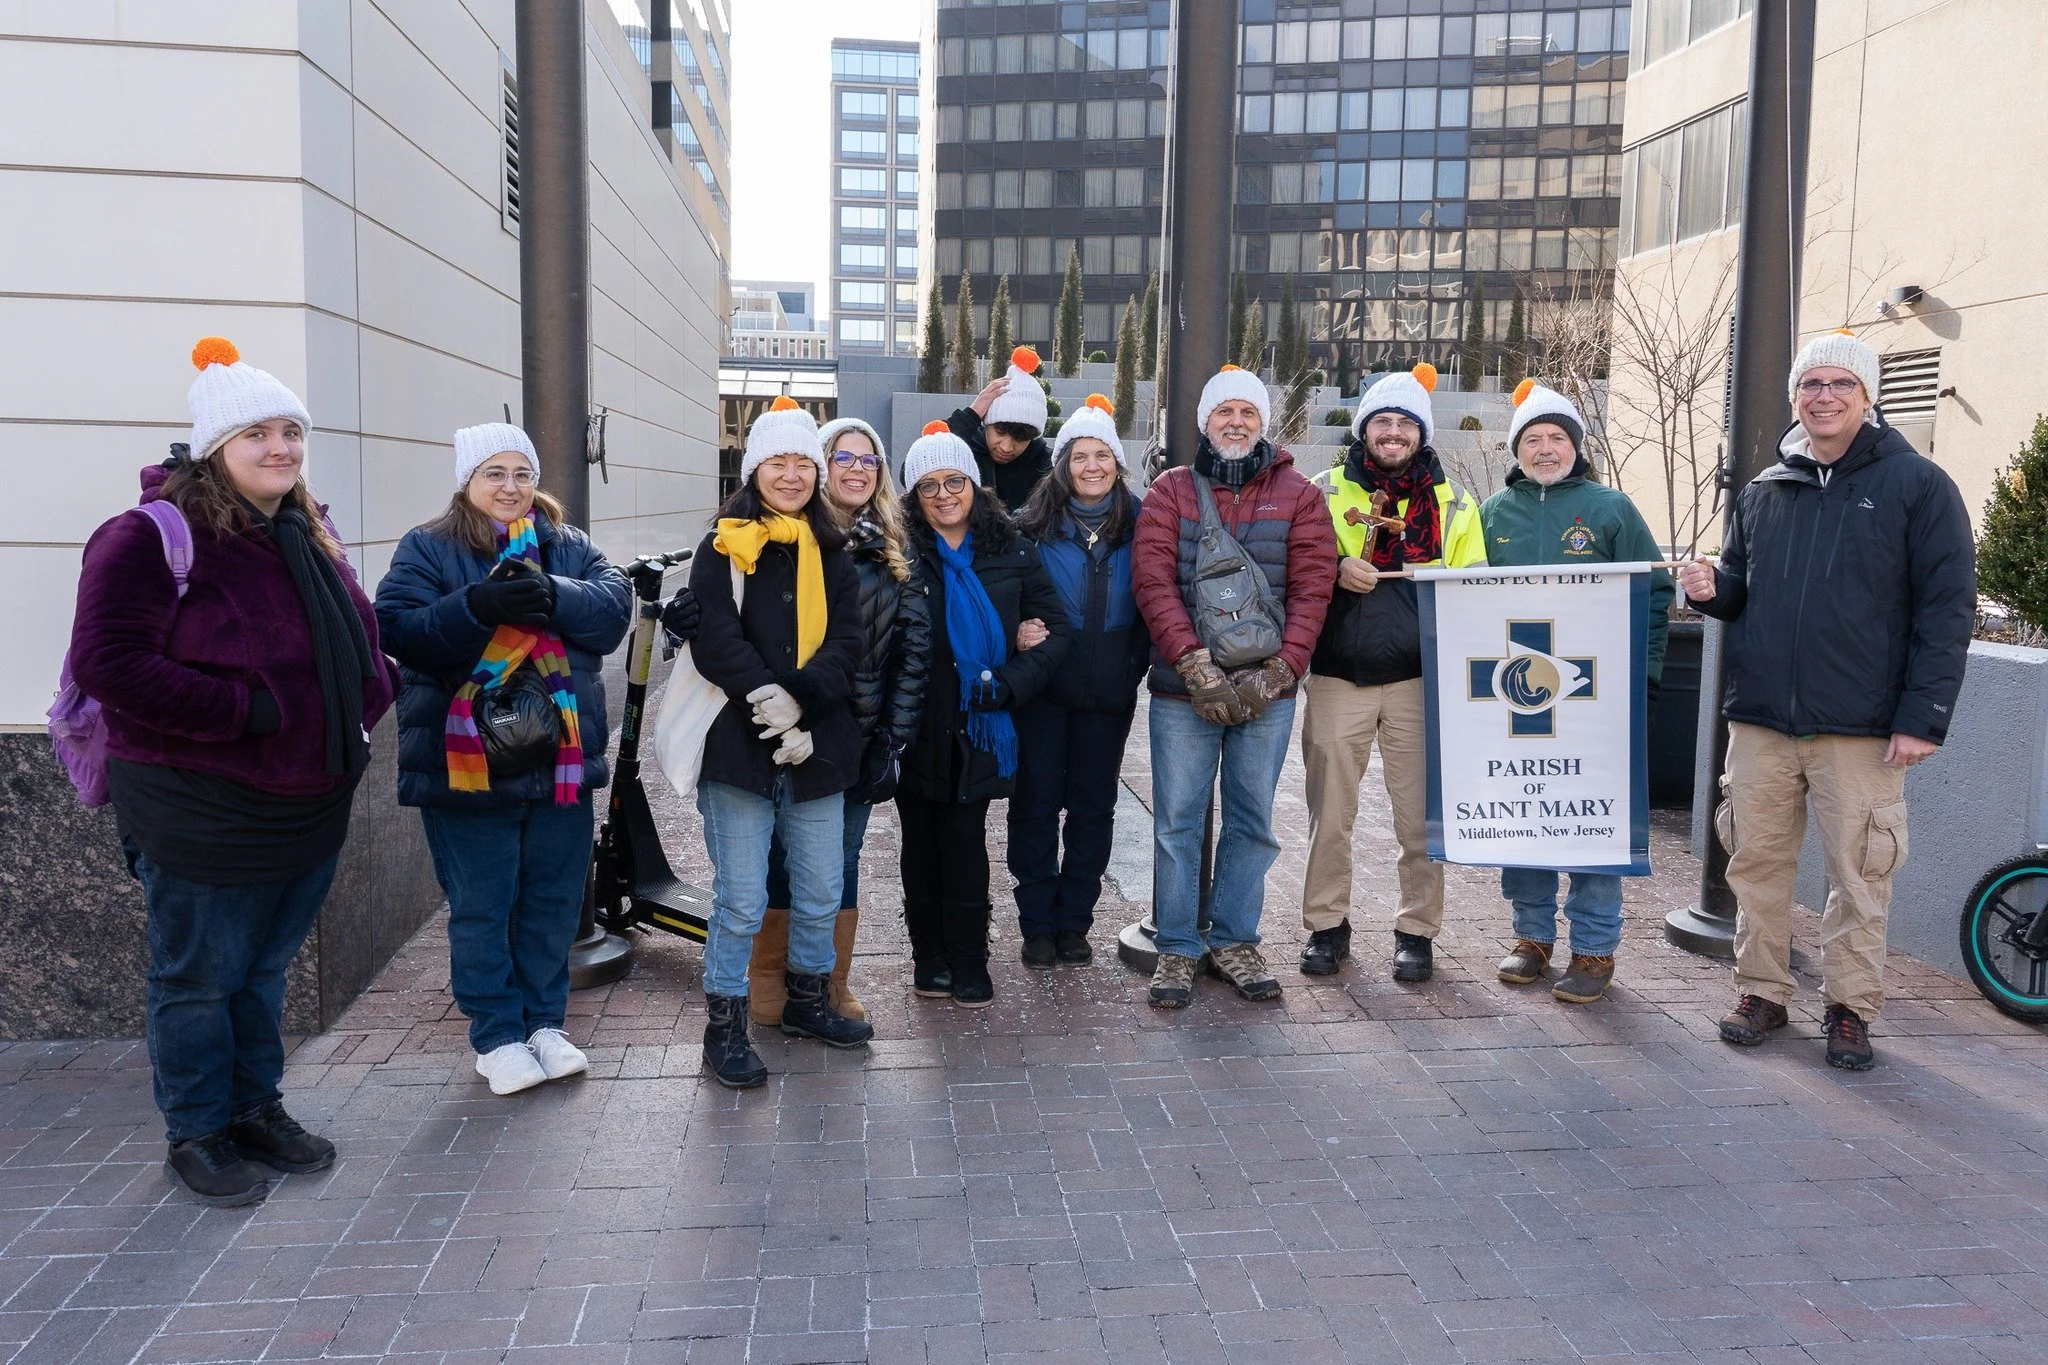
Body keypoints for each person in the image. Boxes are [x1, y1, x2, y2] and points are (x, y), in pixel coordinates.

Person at [69, 337, 396, 1206]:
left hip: (306, 801)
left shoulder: (305, 526)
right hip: (201, 805)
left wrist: (370, 694)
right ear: (216, 445)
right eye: (258, 431)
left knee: (261, 972)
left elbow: (354, 635)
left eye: (292, 429)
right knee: (197, 978)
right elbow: (110, 662)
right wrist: (246, 712)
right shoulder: (148, 536)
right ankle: (199, 1130)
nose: (281, 446)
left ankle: (254, 1106)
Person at [1679, 330, 1975, 1071]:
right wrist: (1716, 592)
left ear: (1867, 395)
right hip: (1763, 721)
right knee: (1756, 862)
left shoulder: (1919, 485)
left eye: (1841, 384)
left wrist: (1923, 715)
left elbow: (1947, 609)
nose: (1824, 397)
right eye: (1811, 385)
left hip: (1864, 726)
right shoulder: (1762, 491)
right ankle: (1762, 990)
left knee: (1859, 875)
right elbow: (1745, 592)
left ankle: (1849, 1008)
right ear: (1794, 398)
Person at [374, 423, 631, 1096]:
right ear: (468, 480)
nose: (511, 487)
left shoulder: (568, 546)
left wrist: (555, 594)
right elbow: (399, 630)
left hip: (560, 759)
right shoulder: (428, 546)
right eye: (495, 472)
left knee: (551, 900)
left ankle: (546, 1022)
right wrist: (476, 605)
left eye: (522, 472)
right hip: (466, 763)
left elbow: (611, 609)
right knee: (483, 903)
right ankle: (497, 1035)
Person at [1132, 365, 1337, 1008]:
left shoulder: (1300, 494)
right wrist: (1193, 664)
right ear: (1205, 422)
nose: (1237, 422)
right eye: (1225, 412)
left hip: (1269, 693)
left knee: (1252, 819)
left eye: (1249, 412)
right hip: (1180, 691)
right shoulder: (1170, 491)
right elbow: (1153, 582)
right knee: (1177, 821)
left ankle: (1234, 938)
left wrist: (1282, 671)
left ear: (1264, 424)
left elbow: (1313, 588)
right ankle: (1176, 946)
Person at [687, 397, 872, 1087]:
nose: (791, 474)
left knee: (821, 888)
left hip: (820, 748)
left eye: (803, 462)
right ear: (753, 467)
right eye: (777, 461)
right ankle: (724, 1026)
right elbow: (715, 638)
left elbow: (849, 641)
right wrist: (768, 698)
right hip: (740, 749)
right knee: (740, 895)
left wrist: (801, 698)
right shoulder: (725, 544)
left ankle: (806, 1001)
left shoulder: (832, 549)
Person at [1479, 381, 1674, 1003]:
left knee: (1593, 816)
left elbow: (1656, 593)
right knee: (1527, 808)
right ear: (1516, 449)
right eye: (1532, 439)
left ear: (1575, 446)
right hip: (1519, 697)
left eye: (1555, 438)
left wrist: (1643, 676)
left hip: (1598, 698)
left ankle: (1594, 947)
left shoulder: (1611, 508)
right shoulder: (1491, 515)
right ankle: (1532, 936)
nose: (1544, 449)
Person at [1298, 363, 1485, 985]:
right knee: (1331, 812)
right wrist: (1334, 569)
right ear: (1364, 428)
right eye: (1383, 420)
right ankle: (1327, 926)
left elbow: (1474, 592)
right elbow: (1295, 570)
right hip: (1336, 674)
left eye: (1407, 422)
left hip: (1417, 681)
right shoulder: (1322, 492)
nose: (1395, 431)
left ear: (1422, 434)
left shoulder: (1456, 503)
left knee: (1418, 814)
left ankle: (1416, 930)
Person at [742, 417, 932, 1029]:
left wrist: (892, 740)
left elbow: (912, 656)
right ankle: (767, 974)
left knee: (838, 862)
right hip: (776, 727)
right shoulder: (776, 536)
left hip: (855, 737)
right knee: (773, 854)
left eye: (869, 459)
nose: (857, 468)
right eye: (843, 457)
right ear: (823, 467)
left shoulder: (894, 551)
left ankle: (827, 980)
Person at [897, 420, 1071, 1005]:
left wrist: (1009, 683)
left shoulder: (1012, 549)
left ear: (975, 485)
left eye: (954, 481)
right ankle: (930, 959)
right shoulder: (899, 556)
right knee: (919, 846)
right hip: (916, 721)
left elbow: (1056, 631)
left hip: (980, 721)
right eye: (929, 486)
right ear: (914, 497)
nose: (944, 494)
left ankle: (970, 960)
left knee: (966, 844)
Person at [1009, 395, 1151, 967]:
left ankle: (1075, 922)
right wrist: (1016, 629)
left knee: (1093, 809)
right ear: (1062, 465)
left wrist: (1135, 663)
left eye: (1102, 456)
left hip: (1109, 691)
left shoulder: (1143, 524)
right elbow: (1007, 597)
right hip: (1043, 690)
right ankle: (1037, 923)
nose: (1091, 467)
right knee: (1036, 804)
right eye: (1078, 457)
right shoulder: (1031, 527)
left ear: (1117, 463)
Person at [948, 346, 1053, 511]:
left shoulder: (1046, 463)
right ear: (986, 422)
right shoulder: (963, 446)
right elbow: (910, 473)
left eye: (1020, 438)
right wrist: (971, 415)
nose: (1006, 447)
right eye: (1000, 432)